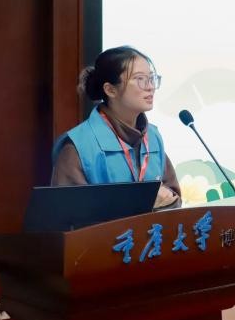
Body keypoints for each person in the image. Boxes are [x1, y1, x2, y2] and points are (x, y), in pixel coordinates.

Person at [51, 46, 181, 209]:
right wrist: (139, 203)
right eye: (140, 79)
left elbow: (173, 198)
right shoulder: (78, 146)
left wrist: (167, 198)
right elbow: (69, 213)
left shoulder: (153, 136)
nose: (150, 87)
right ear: (110, 90)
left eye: (151, 78)